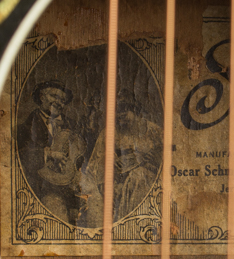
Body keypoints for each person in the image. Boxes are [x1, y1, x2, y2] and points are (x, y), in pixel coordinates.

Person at [80, 90, 162, 228]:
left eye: (125, 109)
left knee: (138, 176)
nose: (120, 115)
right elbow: (93, 167)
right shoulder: (107, 133)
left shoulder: (153, 131)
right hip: (113, 186)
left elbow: (171, 160)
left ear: (135, 110)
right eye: (117, 111)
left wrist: (152, 160)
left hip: (145, 186)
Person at [17, 80, 86, 224]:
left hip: (74, 186)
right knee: (54, 207)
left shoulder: (74, 125)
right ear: (42, 97)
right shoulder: (25, 127)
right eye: (54, 96)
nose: (58, 102)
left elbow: (82, 155)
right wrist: (49, 154)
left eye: (62, 100)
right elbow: (22, 157)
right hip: (43, 186)